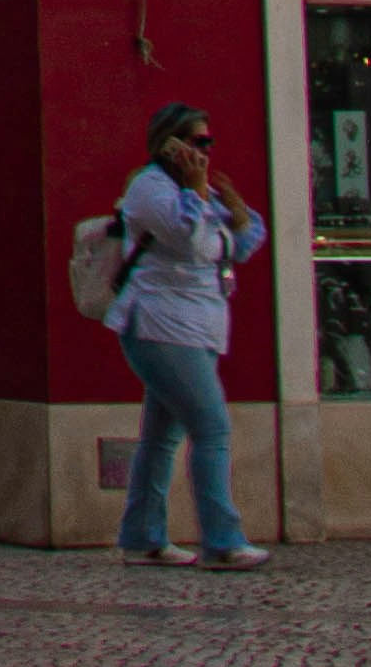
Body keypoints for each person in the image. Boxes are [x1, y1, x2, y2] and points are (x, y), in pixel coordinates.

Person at [111, 96, 271, 568]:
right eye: (197, 141)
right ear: (171, 144)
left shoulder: (200, 192)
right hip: (158, 324)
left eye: (209, 140)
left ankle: (142, 536)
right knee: (213, 427)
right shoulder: (150, 189)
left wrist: (237, 212)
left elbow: (238, 247)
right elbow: (190, 240)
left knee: (162, 436)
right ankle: (222, 540)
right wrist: (199, 193)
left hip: (199, 327)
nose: (205, 151)